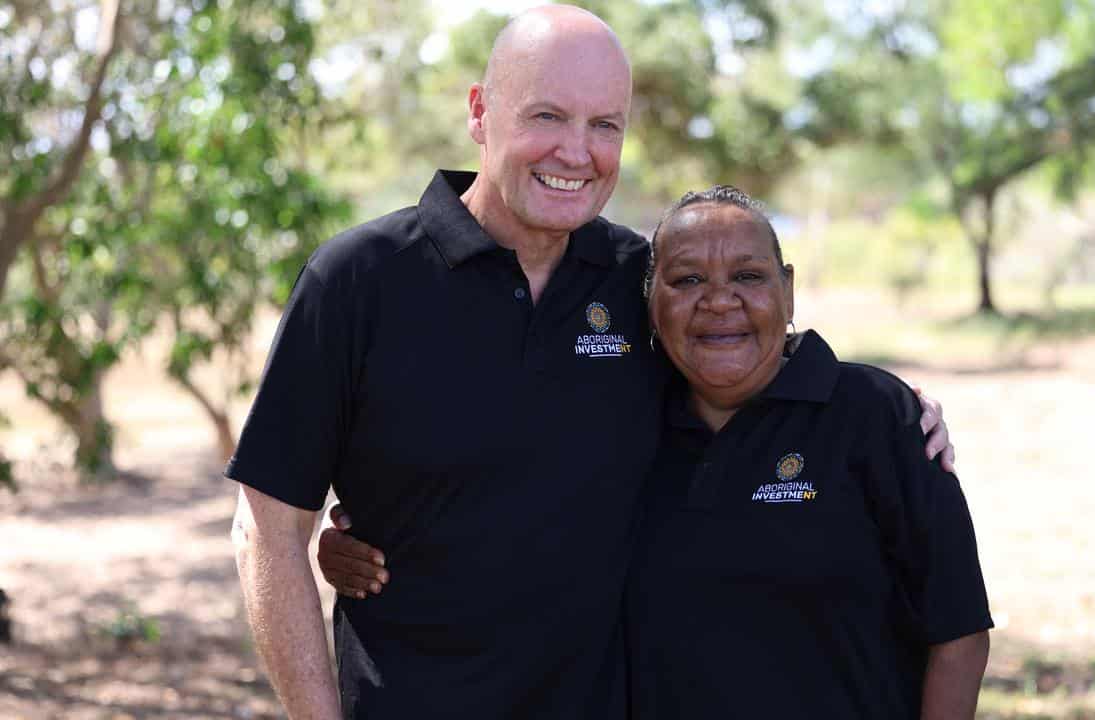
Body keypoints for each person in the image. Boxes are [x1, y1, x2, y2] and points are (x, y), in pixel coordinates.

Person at [229, 6, 955, 719]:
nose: (577, 152)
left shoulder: (640, 282)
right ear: (481, 112)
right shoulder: (358, 281)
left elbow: (747, 358)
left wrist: (893, 409)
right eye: (547, 116)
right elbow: (267, 529)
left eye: (604, 125)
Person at [323, 187, 991, 718]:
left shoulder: (873, 415)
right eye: (687, 279)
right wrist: (373, 535)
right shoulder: (625, 419)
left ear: (787, 290)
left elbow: (958, 632)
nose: (720, 301)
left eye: (749, 275)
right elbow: (503, 496)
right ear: (649, 304)